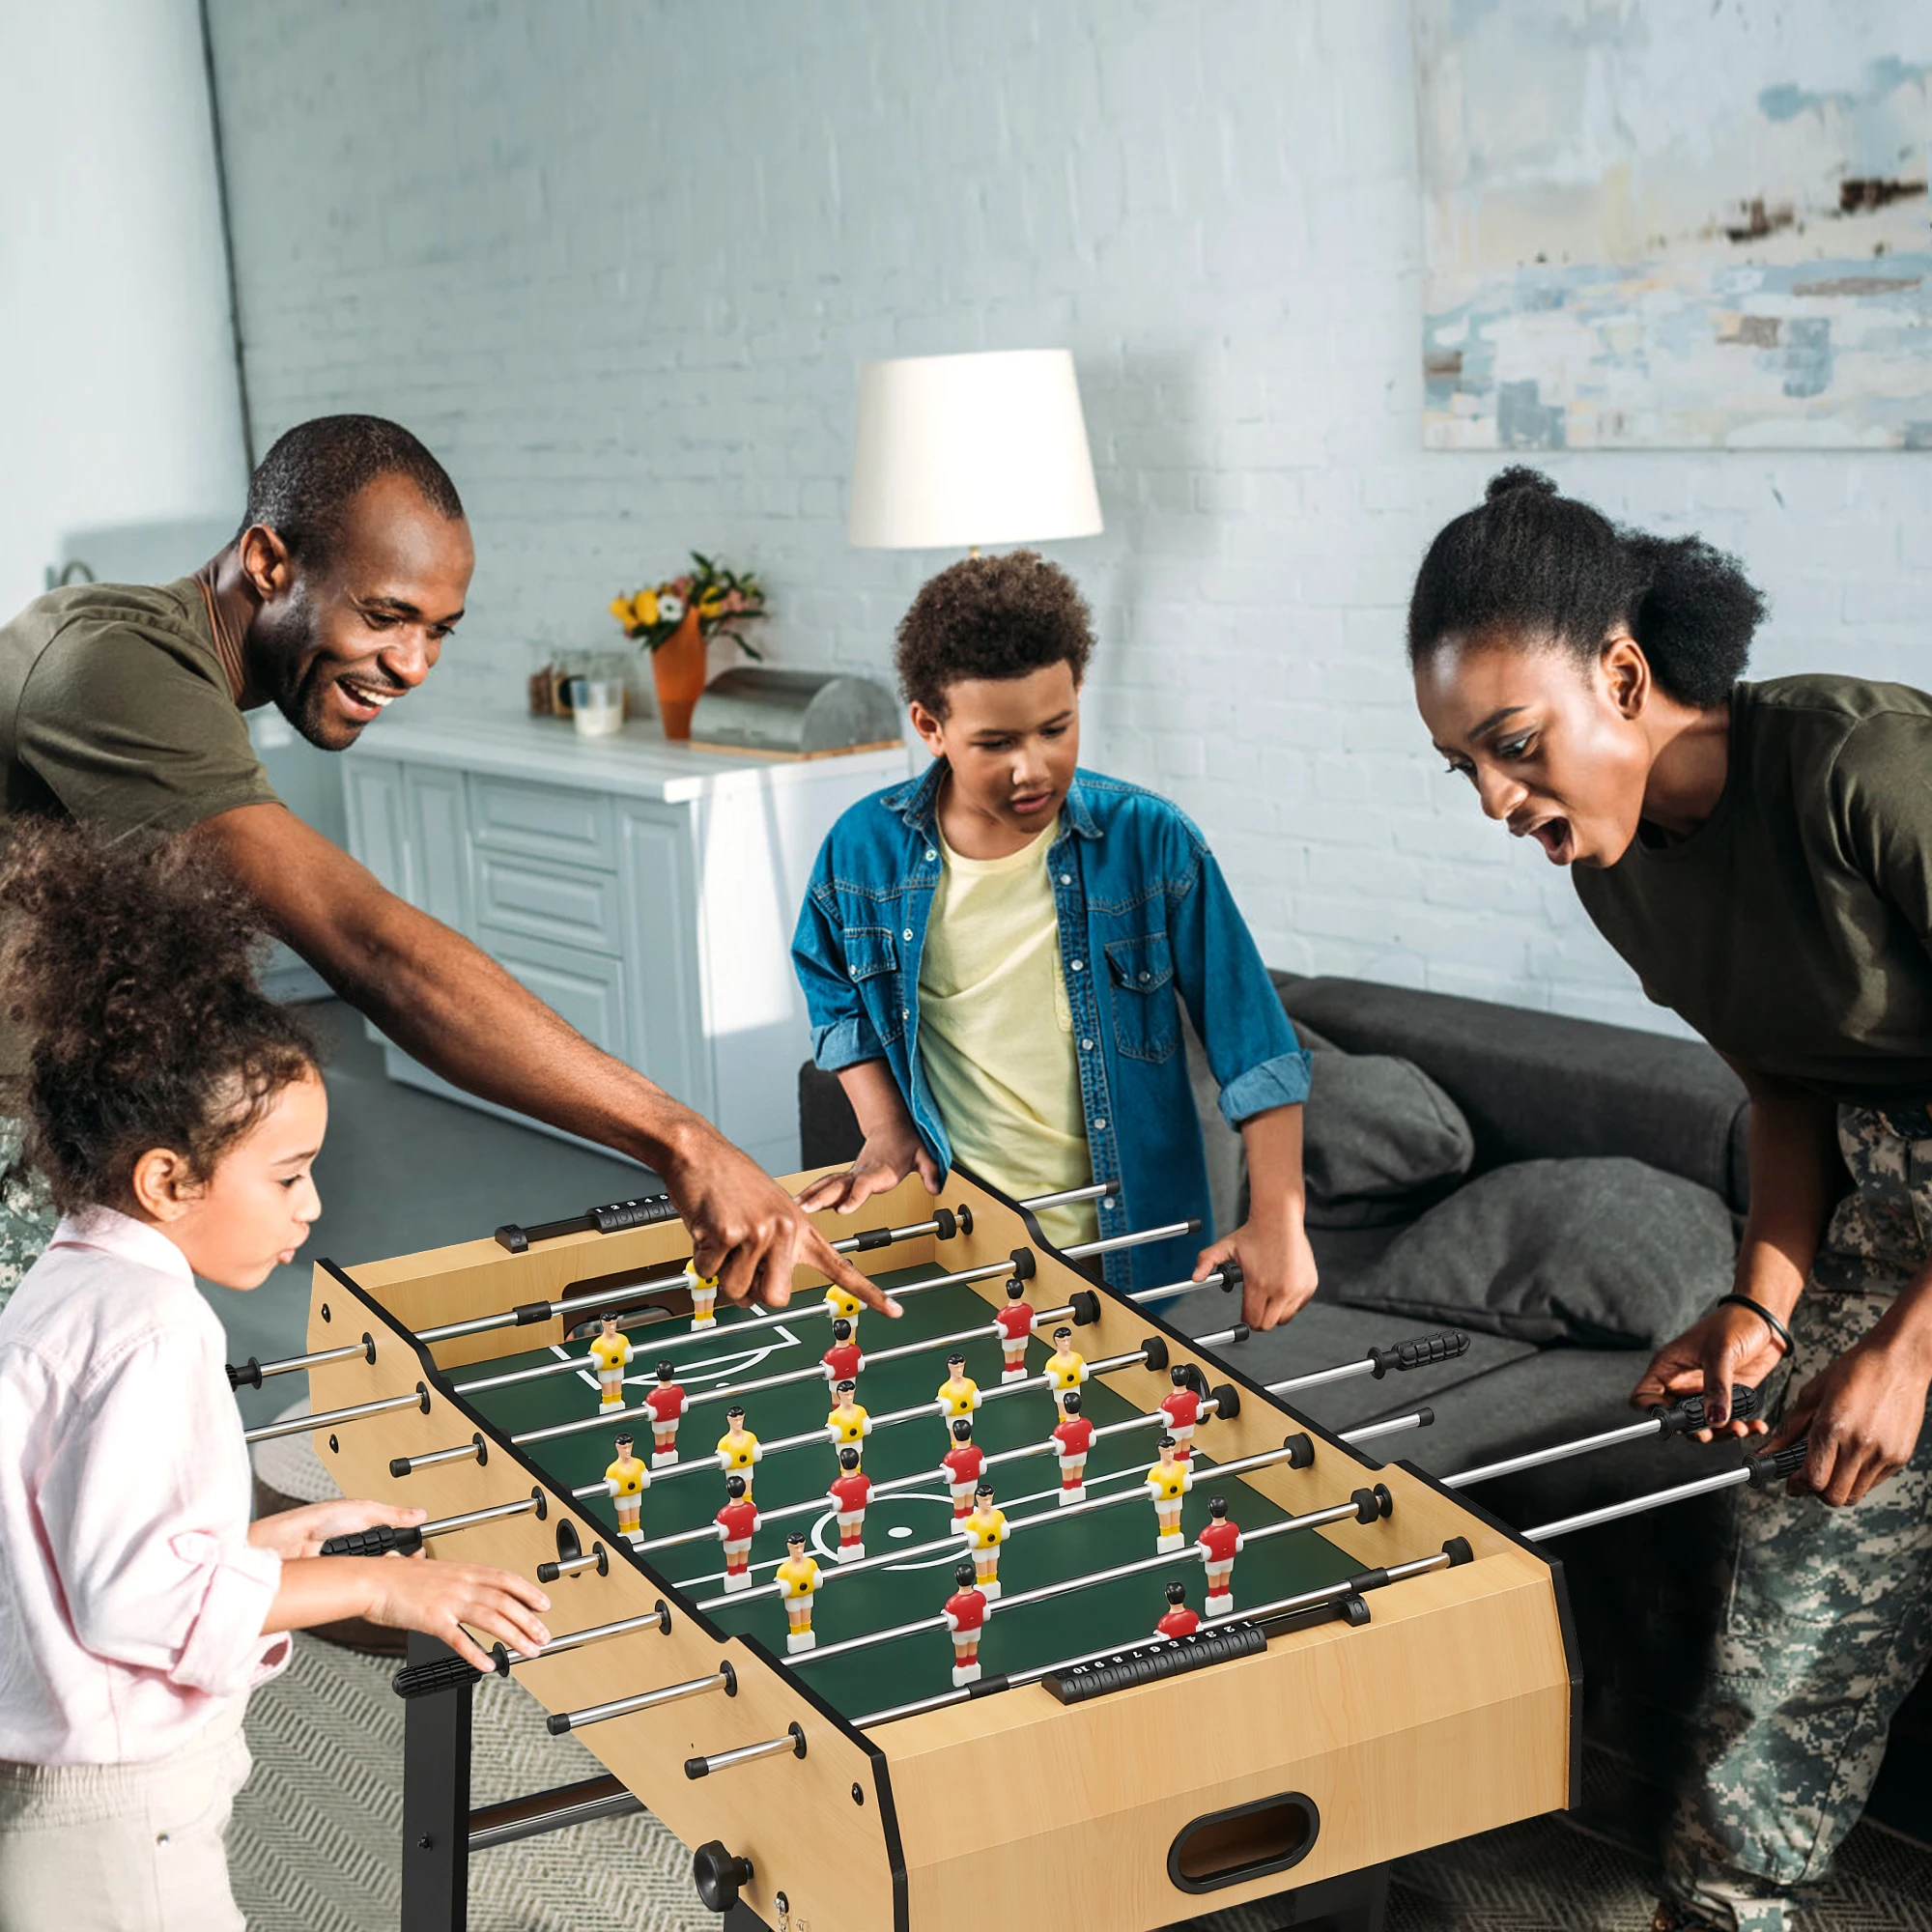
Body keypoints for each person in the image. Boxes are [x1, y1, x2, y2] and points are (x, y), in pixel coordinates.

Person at [0, 414, 890, 1324]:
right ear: (268, 562)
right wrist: (683, 1140)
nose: (412, 664)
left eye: (439, 632)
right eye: (384, 616)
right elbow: (369, 949)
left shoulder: (165, 663)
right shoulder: (110, 665)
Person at [1407, 467, 1932, 1932]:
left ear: (1622, 677)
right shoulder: (1616, 870)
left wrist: (1909, 1351)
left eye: (1515, 747)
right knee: (1802, 1564)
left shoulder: (1861, 769)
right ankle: (1731, 1900)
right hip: (1890, 1203)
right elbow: (1785, 1090)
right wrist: (1762, 1306)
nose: (1501, 802)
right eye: (1466, 768)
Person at [0, 823, 552, 1930]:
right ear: (166, 1177)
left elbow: (81, 1540)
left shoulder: (68, 1281)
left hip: (58, 1777)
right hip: (119, 1812)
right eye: (290, 1174)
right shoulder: (157, 1330)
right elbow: (137, 1601)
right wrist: (382, 1586)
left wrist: (253, 1544)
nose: (310, 1206)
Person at [790, 550, 1315, 1320]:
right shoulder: (861, 849)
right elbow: (831, 986)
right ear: (931, 727)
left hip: (1131, 1254)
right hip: (965, 1243)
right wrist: (885, 1127)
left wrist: (1279, 1220)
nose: (1032, 768)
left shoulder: (1153, 842)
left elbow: (1256, 1045)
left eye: (1055, 728)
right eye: (996, 743)